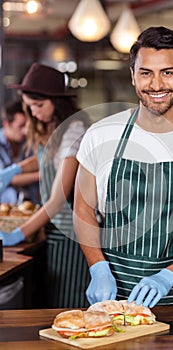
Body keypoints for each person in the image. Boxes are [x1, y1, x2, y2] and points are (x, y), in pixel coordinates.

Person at [73, 26, 173, 307]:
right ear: (133, 76)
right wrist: (97, 267)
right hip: (112, 300)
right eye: (146, 72)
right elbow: (83, 208)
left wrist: (168, 277)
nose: (156, 84)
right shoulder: (101, 135)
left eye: (167, 72)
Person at [0, 63, 90, 308]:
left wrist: (18, 234)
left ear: (56, 101)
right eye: (30, 106)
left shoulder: (74, 131)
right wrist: (14, 170)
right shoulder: (52, 127)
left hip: (72, 235)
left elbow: (57, 199)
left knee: (68, 305)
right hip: (54, 231)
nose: (34, 112)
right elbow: (43, 158)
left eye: (39, 105)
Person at [0, 100, 39, 204]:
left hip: (31, 202)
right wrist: (42, 175)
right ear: (7, 124)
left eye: (27, 126)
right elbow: (7, 179)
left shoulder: (28, 142)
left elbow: (39, 162)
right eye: (20, 126)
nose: (25, 131)